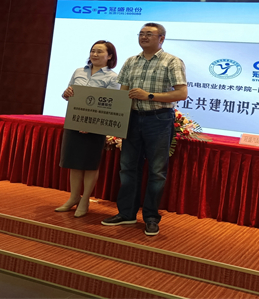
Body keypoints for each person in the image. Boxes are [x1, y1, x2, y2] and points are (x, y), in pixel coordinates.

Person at [101, 23, 187, 236]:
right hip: (132, 118)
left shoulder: (172, 61)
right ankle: (127, 214)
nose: (144, 37)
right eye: (141, 34)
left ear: (161, 38)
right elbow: (123, 93)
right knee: (128, 168)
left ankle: (150, 217)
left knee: (157, 171)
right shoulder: (131, 61)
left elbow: (181, 93)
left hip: (158, 119)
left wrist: (148, 96)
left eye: (149, 34)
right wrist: (117, 118)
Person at [55, 40, 120, 218]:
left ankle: (85, 200)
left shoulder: (113, 77)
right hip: (74, 122)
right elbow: (67, 94)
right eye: (93, 51)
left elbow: (111, 103)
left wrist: (91, 125)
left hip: (95, 126)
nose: (95, 54)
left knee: (90, 164)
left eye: (99, 51)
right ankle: (73, 198)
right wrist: (66, 94)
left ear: (110, 56)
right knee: (74, 162)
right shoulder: (79, 71)